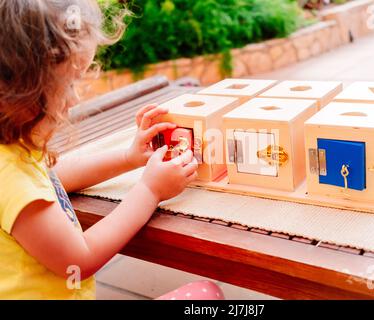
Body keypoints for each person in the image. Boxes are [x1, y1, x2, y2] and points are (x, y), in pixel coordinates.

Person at [0, 0, 223, 300]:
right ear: (21, 93)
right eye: (67, 85)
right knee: (206, 296)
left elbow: (54, 178)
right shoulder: (11, 179)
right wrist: (150, 191)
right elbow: (81, 259)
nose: (74, 98)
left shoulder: (12, 150)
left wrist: (128, 158)